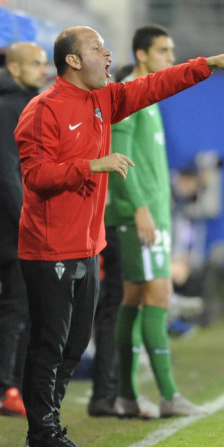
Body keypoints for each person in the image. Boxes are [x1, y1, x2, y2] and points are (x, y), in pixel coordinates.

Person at [15, 24, 224, 447]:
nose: (108, 55)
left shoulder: (104, 100)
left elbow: (154, 84)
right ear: (72, 60)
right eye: (96, 48)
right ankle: (43, 434)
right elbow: (34, 176)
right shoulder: (42, 109)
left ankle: (47, 430)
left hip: (89, 245)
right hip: (49, 248)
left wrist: (207, 65)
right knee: (50, 344)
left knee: (72, 346)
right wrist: (92, 165)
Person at [110, 26, 205, 419]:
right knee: (158, 297)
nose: (170, 57)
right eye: (163, 51)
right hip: (142, 217)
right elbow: (119, 158)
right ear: (141, 54)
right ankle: (167, 394)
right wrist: (139, 208)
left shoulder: (149, 98)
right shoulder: (130, 98)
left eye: (172, 50)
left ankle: (127, 395)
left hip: (152, 214)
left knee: (134, 299)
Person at [0, 42, 48, 417]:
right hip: (18, 227)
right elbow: (7, 171)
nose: (42, 70)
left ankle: (17, 387)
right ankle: (2, 389)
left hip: (27, 223)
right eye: (34, 64)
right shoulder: (8, 107)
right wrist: (28, 217)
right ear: (13, 68)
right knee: (16, 308)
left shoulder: (24, 104)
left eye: (43, 63)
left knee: (27, 310)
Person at [88, 63, 137, 418]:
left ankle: (116, 391)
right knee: (113, 308)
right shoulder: (111, 111)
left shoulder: (110, 111)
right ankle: (106, 393)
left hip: (114, 223)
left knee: (121, 307)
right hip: (112, 225)